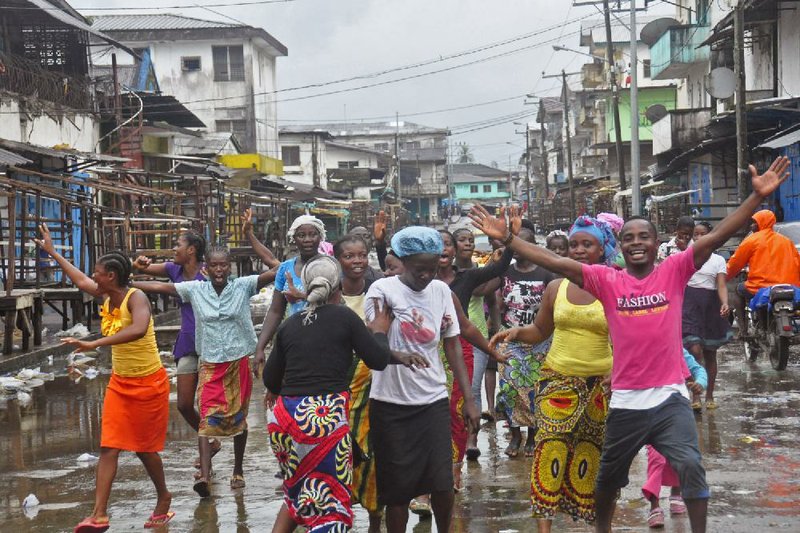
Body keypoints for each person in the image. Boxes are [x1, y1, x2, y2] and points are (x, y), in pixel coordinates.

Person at [469, 154, 791, 533]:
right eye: (629, 238)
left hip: (669, 397)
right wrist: (507, 239)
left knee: (690, 467)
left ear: (657, 244)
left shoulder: (674, 270)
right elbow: (555, 263)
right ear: (620, 246)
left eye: (644, 237)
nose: (637, 243)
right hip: (624, 401)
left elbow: (718, 236)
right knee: (608, 477)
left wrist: (755, 199)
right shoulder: (607, 281)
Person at [264, 255, 427, 533]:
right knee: (329, 499)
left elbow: (270, 379)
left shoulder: (291, 325)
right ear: (338, 285)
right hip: (321, 418)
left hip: (283, 420)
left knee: (297, 490)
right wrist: (379, 331)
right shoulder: (345, 318)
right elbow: (376, 359)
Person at [33, 225, 173, 532]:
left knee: (144, 449)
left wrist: (94, 343)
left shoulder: (136, 298)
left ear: (111, 275)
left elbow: (137, 329)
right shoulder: (104, 294)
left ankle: (163, 497)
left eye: (97, 272)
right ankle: (98, 514)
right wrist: (53, 251)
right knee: (109, 446)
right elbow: (79, 279)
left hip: (149, 383)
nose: (93, 277)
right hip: (120, 384)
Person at [490, 215, 616, 531]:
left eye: (587, 244)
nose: (579, 250)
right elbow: (540, 330)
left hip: (603, 386)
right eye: (574, 245)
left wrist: (621, 371)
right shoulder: (556, 287)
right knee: (550, 451)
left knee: (598, 458)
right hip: (557, 379)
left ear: (602, 249)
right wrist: (515, 332)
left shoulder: (615, 284)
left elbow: (629, 336)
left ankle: (601, 526)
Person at [135, 246, 276, 497]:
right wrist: (128, 280)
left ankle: (238, 469)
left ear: (230, 266)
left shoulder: (243, 286)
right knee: (207, 417)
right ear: (206, 268)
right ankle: (205, 475)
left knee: (238, 417)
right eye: (214, 265)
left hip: (238, 360)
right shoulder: (195, 289)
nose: (219, 270)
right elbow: (162, 287)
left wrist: (253, 238)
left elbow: (276, 271)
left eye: (224, 265)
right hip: (210, 363)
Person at [364, 226, 480, 533]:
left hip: (432, 401)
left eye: (433, 269)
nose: (427, 276)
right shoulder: (382, 291)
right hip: (390, 405)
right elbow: (374, 344)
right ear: (402, 261)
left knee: (442, 483)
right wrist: (397, 356)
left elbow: (453, 343)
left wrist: (470, 400)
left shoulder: (441, 291)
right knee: (398, 491)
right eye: (419, 270)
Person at [131, 231, 219, 469]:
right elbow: (144, 272)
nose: (174, 249)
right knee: (183, 404)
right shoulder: (173, 270)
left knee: (207, 404)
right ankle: (211, 442)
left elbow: (159, 287)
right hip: (187, 343)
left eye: (178, 245)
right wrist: (136, 264)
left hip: (211, 344)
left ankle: (205, 469)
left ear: (191, 250)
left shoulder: (208, 271)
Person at [436, 228, 513, 476]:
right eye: (437, 245)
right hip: (429, 352)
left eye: (447, 244)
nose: (443, 249)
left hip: (460, 347)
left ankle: (456, 465)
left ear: (454, 250)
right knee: (434, 411)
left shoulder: (466, 278)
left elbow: (498, 270)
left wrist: (510, 241)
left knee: (461, 406)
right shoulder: (420, 280)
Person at [495, 226, 557, 458]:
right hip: (510, 338)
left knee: (533, 390)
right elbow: (491, 298)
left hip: (539, 341)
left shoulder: (546, 274)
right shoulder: (506, 272)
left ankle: (532, 435)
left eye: (523, 243)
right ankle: (515, 435)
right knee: (509, 389)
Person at [643, 349, 708, 528]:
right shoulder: (645, 347)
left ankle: (677, 493)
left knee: (681, 457)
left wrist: (700, 383)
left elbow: (698, 370)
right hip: (650, 410)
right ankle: (654, 506)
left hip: (676, 413)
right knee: (656, 459)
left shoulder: (677, 349)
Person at [451, 228, 502, 461]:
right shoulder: (446, 273)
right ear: (453, 245)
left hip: (477, 334)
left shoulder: (479, 272)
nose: (468, 244)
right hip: (451, 336)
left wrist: (495, 326)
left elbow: (490, 298)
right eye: (462, 240)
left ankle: (471, 440)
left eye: (471, 240)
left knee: (472, 386)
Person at [254, 214, 326, 370]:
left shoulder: (329, 266)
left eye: (312, 234)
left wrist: (302, 296)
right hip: (294, 338)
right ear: (294, 238)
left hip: (324, 338)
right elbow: (275, 311)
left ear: (320, 237)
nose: (307, 239)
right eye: (301, 235)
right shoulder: (286, 268)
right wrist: (260, 347)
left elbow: (336, 304)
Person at [726, 208, 800, 336]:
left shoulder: (751, 240)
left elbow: (735, 263)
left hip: (760, 287)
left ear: (762, 223)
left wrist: (724, 276)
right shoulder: (786, 241)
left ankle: (743, 330)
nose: (752, 225)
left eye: (754, 222)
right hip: (789, 287)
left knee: (738, 290)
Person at [682, 221, 731, 410]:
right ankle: (696, 395)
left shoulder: (718, 260)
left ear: (711, 236)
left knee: (710, 353)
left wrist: (725, 303)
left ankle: (709, 394)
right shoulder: (686, 256)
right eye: (696, 234)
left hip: (710, 306)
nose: (699, 238)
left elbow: (720, 285)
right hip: (688, 304)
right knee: (694, 350)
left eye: (703, 234)